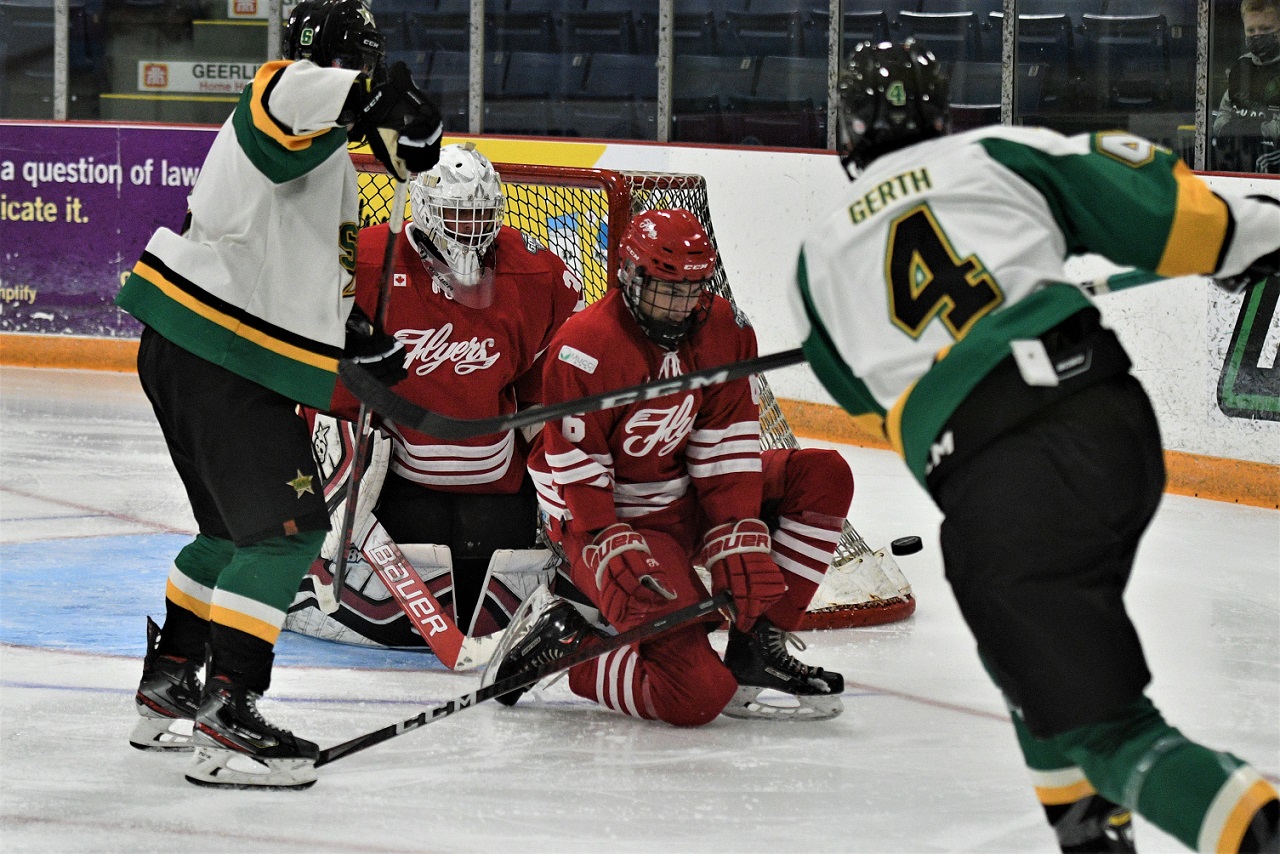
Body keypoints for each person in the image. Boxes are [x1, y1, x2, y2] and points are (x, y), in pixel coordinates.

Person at [792, 39, 1280, 853]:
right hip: (1110, 422)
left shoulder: (816, 263)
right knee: (1031, 666)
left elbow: (867, 402)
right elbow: (1158, 210)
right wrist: (1246, 237)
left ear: (846, 132)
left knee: (1105, 728)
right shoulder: (992, 154)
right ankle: (1090, 837)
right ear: (938, 111)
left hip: (1002, 480)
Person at [117, 0, 442, 789]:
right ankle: (230, 713)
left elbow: (291, 262)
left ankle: (170, 682)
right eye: (359, 62)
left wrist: (353, 330)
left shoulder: (319, 152)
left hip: (195, 352)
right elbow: (290, 90)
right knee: (288, 535)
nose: (364, 74)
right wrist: (372, 102)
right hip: (221, 360)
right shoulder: (289, 92)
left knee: (232, 534)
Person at [482, 208, 856, 725]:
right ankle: (572, 648)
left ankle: (758, 650)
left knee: (824, 475)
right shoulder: (583, 349)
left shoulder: (724, 328)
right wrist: (603, 535)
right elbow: (575, 465)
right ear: (630, 276)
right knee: (696, 697)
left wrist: (737, 524)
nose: (683, 306)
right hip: (613, 524)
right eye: (668, 289)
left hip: (686, 498)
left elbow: (726, 437)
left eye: (694, 289)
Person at [285, 142, 585, 647]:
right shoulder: (365, 263)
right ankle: (320, 561)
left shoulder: (534, 274)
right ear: (423, 209)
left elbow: (541, 387)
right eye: (455, 214)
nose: (470, 228)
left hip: (495, 483)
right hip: (392, 478)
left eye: (480, 215)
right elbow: (326, 394)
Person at [1212, 0, 1280, 173]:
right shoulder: (1241, 67)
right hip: (1236, 165)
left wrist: (1258, 129)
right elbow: (1221, 118)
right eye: (1251, 30)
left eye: (1265, 29)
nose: (1257, 35)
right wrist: (1230, 129)